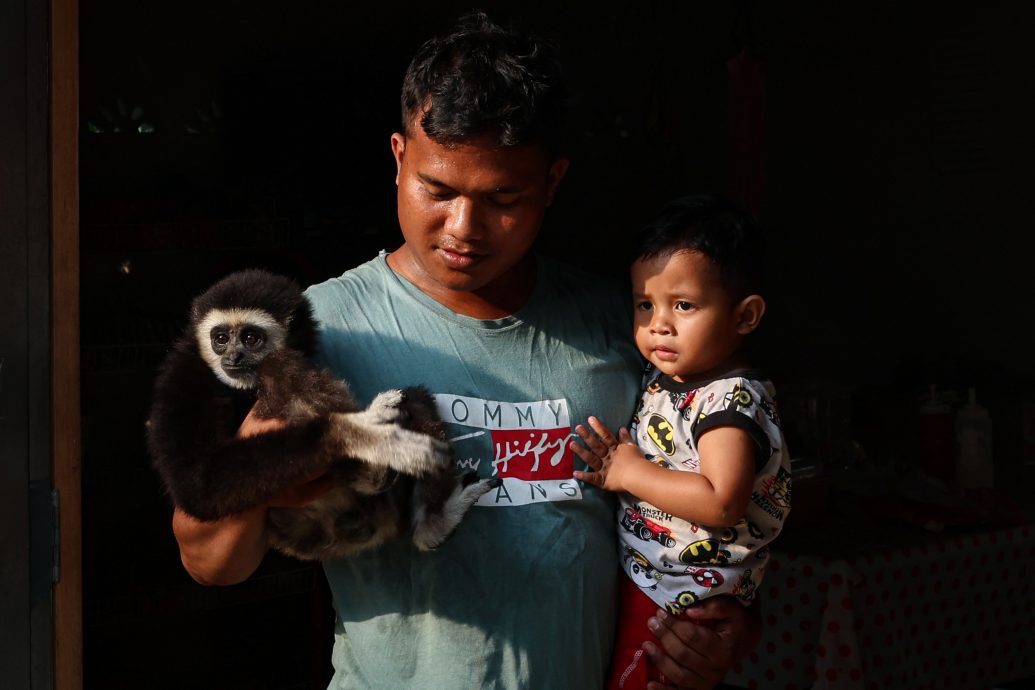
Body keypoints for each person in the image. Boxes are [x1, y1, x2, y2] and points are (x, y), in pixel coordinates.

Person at [172, 13, 759, 690]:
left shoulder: (630, 329)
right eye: (437, 190)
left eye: (502, 198)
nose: (462, 229)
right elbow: (210, 561)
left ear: (552, 183)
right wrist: (261, 466)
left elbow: (716, 514)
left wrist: (728, 623)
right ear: (398, 159)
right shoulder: (318, 331)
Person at [570, 194, 790, 689]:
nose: (658, 323)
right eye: (645, 304)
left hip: (678, 601)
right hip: (659, 583)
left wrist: (629, 473)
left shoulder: (729, 402)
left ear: (746, 316)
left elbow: (722, 500)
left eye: (684, 305)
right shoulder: (674, 375)